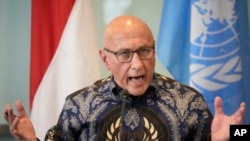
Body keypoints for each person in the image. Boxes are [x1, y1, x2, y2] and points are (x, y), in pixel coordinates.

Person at [4, 15, 246, 141]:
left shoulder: (189, 101)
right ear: (105, 58)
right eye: (124, 54)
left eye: (144, 51)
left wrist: (236, 134)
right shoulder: (79, 105)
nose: (137, 64)